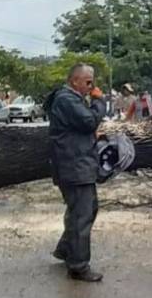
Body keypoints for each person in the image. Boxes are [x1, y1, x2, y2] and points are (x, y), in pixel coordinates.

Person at [43, 63, 108, 282]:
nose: (92, 87)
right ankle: (79, 266)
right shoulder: (67, 99)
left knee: (80, 210)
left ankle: (66, 250)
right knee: (83, 213)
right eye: (89, 82)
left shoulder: (67, 99)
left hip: (73, 164)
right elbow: (89, 121)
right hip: (74, 166)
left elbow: (79, 129)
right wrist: (100, 102)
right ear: (75, 81)